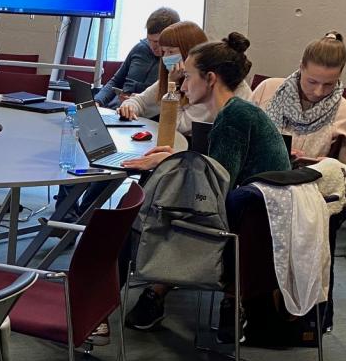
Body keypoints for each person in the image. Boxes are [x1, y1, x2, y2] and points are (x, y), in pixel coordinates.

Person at [122, 32, 291, 331]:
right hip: (258, 216)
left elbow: (215, 187)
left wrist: (168, 162)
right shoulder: (236, 112)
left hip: (252, 222)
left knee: (145, 215)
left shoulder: (233, 116)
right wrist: (173, 158)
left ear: (210, 78)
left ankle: (108, 305)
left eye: (188, 77)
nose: (184, 86)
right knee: (161, 202)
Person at [252, 31, 346, 331]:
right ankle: (245, 304)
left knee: (313, 225)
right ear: (300, 67)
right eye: (312, 81)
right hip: (262, 184)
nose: (318, 91)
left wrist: (324, 164)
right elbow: (242, 130)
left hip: (312, 194)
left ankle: (308, 317)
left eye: (328, 85)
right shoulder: (268, 90)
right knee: (247, 217)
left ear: (340, 77)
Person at [116, 21, 251, 133]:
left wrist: (172, 90)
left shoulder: (209, 85)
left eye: (171, 51)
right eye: (164, 52)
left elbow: (177, 128)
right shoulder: (179, 77)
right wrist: (129, 107)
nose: (165, 58)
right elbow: (141, 101)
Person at [93, 7, 180, 107]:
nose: (152, 46)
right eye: (149, 40)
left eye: (157, 41)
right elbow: (116, 81)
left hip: (142, 114)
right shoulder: (140, 48)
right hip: (114, 108)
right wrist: (97, 101)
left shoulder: (174, 63)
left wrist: (139, 101)